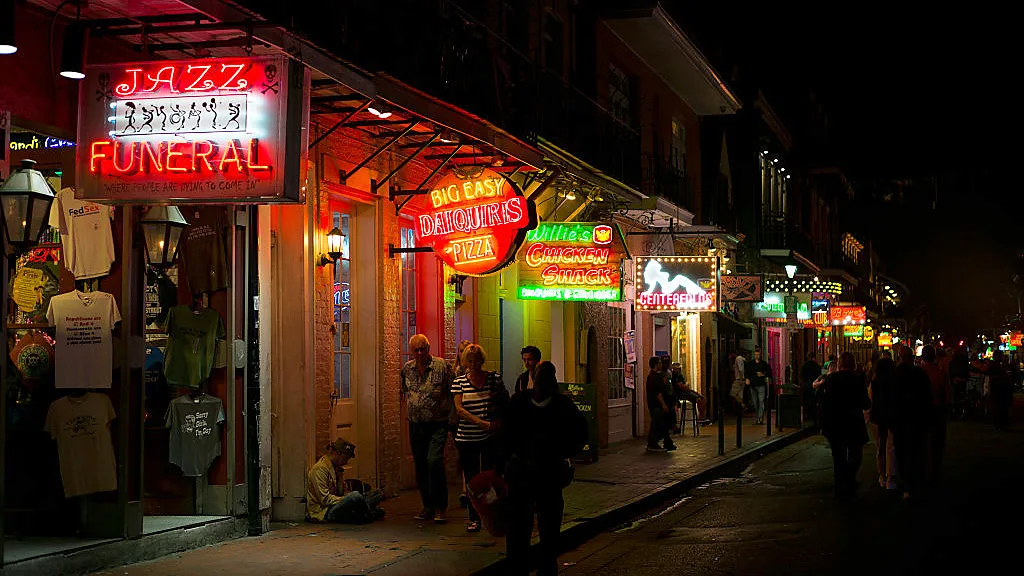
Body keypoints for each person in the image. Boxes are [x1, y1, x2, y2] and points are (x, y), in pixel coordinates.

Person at [503, 361, 587, 576]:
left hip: (544, 474)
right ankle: (530, 566)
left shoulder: (555, 406)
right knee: (524, 528)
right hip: (529, 474)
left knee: (541, 529)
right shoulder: (527, 403)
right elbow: (505, 435)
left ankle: (541, 567)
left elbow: (578, 436)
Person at [452, 344, 508, 532]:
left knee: (491, 476)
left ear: (482, 361)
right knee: (472, 478)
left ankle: (492, 513)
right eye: (470, 360)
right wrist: (480, 423)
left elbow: (502, 401)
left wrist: (496, 422)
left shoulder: (493, 379)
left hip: (490, 437)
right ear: (465, 362)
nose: (474, 364)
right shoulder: (459, 382)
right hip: (467, 438)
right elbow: (459, 410)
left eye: (477, 360)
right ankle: (473, 517)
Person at [401, 334, 456, 523]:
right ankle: (427, 506)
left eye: (422, 349)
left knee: (434, 461)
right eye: (415, 350)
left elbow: (454, 391)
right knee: (421, 465)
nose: (419, 353)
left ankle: (441, 506)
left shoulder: (442, 366)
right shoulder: (407, 369)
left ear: (428, 348)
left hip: (437, 423)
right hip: (416, 424)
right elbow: (404, 390)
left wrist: (452, 417)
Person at [819, 352, 871, 500]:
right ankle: (849, 479)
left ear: (840, 363)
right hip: (853, 423)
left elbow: (824, 403)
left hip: (834, 424)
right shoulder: (857, 380)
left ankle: (840, 486)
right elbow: (865, 403)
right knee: (855, 454)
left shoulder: (830, 380)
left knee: (838, 456)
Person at [306, 438, 384, 523]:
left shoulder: (337, 469)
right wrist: (346, 499)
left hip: (338, 504)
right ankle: (367, 514)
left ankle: (363, 512)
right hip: (325, 511)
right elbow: (325, 500)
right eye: (345, 458)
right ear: (338, 453)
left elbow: (343, 491)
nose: (346, 462)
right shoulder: (320, 469)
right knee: (355, 496)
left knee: (377, 493)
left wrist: (347, 497)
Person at [891, 344, 932, 500]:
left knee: (901, 453)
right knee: (915, 452)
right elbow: (927, 397)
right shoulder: (919, 374)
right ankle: (914, 483)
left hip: (901, 420)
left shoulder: (895, 374)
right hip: (917, 418)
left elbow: (892, 398)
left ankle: (905, 485)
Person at [920, 345, 950, 482]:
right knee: (937, 443)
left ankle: (924, 470)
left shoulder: (919, 371)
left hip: (922, 411)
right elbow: (947, 394)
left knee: (922, 443)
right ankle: (934, 470)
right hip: (937, 410)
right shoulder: (939, 372)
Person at [869, 357, 899, 491]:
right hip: (892, 416)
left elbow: (870, 402)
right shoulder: (895, 382)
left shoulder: (874, 383)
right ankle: (890, 477)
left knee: (880, 447)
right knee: (891, 447)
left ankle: (882, 475)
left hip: (877, 417)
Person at [645, 356, 676, 452]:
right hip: (656, 405)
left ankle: (666, 442)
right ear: (655, 364)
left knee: (661, 423)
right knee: (657, 423)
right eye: (659, 363)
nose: (661, 364)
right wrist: (663, 404)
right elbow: (657, 393)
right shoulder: (652, 377)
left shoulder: (656, 376)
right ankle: (653, 443)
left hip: (658, 405)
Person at [988, 350, 1013, 432]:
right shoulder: (995, 365)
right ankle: (999, 425)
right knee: (999, 408)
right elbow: (993, 377)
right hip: (998, 389)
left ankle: (1001, 425)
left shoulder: (1000, 365)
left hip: (1002, 389)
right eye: (1001, 356)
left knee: (1001, 408)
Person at [746, 347, 772, 425]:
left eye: (758, 355)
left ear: (760, 355)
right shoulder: (750, 364)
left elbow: (769, 372)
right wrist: (747, 379)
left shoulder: (764, 364)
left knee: (761, 401)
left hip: (761, 385)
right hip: (753, 385)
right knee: (755, 402)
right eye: (756, 354)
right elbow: (747, 372)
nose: (757, 356)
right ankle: (758, 416)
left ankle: (760, 418)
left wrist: (763, 374)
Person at [799, 353, 821, 424]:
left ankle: (805, 415)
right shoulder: (817, 366)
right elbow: (819, 375)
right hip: (814, 385)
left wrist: (803, 383)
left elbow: (801, 376)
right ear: (814, 358)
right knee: (813, 400)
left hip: (806, 385)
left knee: (805, 400)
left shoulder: (804, 365)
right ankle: (812, 416)